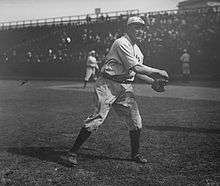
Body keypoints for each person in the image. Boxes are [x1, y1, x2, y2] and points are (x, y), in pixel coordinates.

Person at [61, 16, 169, 165]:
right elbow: (136, 67)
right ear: (128, 28)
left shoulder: (138, 50)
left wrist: (153, 82)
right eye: (135, 27)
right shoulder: (121, 42)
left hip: (125, 88)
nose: (139, 30)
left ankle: (135, 154)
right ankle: (71, 153)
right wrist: (158, 72)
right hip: (108, 84)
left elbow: (136, 72)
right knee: (97, 119)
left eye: (141, 28)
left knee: (136, 122)